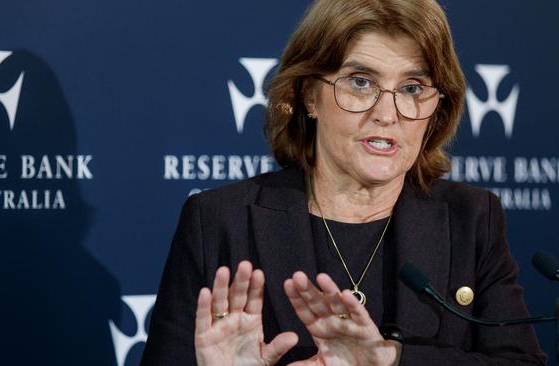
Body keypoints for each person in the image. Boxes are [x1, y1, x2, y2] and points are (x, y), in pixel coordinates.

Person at [142, 0, 546, 364]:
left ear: (438, 106)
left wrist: (388, 360)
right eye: (360, 82)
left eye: (412, 88)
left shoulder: (472, 219)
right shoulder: (218, 222)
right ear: (308, 96)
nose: (387, 114)